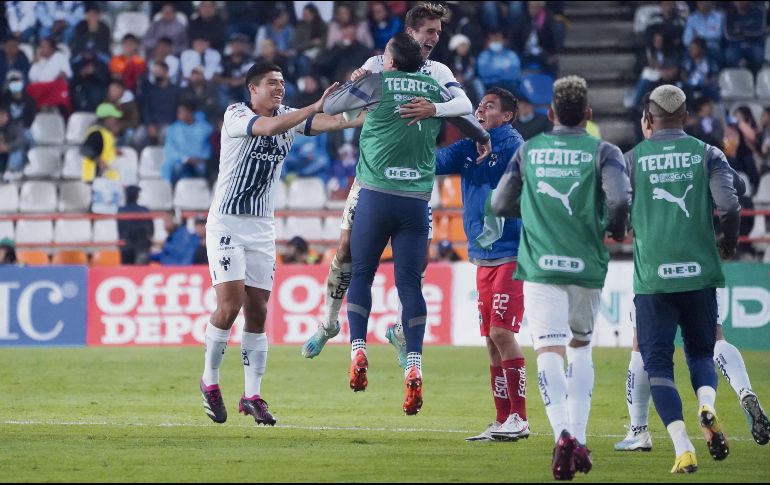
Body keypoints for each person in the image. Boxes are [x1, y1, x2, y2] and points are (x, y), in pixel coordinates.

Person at [321, 32, 490, 415]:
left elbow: (332, 104)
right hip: (415, 202)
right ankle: (414, 365)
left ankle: (359, 350)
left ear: (392, 61)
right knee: (410, 286)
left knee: (362, 273)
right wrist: (481, 137)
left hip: (375, 197)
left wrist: (344, 87)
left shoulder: (378, 81)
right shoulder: (435, 88)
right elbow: (465, 119)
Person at [302, 2, 478, 362]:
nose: (435, 39)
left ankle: (400, 331)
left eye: (439, 33)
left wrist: (434, 110)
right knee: (346, 251)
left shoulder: (439, 70)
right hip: (372, 177)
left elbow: (463, 105)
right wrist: (352, 86)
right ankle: (329, 324)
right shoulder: (376, 64)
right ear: (410, 33)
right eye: (429, 32)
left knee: (416, 267)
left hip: (412, 180)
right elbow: (349, 104)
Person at [199, 62, 361, 426]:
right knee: (229, 305)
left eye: (282, 83)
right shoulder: (236, 114)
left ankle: (251, 395)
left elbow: (333, 123)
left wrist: (372, 113)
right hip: (227, 221)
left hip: (261, 226)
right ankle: (209, 381)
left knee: (258, 310)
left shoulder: (289, 114)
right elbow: (269, 127)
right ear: (252, 89)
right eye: (271, 83)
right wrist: (316, 106)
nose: (279, 89)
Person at [615, 88, 769, 458]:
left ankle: (640, 431)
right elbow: (736, 196)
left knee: (647, 351)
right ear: (685, 115)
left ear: (648, 119)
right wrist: (729, 242)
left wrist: (621, 225)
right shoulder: (707, 152)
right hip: (701, 270)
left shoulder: (633, 158)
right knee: (710, 343)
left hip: (654, 274)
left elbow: (616, 201)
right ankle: (742, 392)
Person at [492, 76, 631, 480]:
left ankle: (562, 435)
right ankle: (580, 436)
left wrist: (535, 215)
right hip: (585, 263)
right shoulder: (604, 150)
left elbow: (501, 202)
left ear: (551, 114)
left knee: (548, 351)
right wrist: (614, 229)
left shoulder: (530, 150)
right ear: (587, 115)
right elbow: (621, 199)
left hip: (541, 265)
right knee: (581, 348)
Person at [433, 87, 528, 440]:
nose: (480, 109)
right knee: (490, 339)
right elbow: (435, 164)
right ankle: (503, 420)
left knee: (502, 332)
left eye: (489, 106)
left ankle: (520, 417)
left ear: (506, 116)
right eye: (479, 105)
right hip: (483, 257)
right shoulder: (469, 145)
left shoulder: (514, 145)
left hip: (512, 252)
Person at [161, 101, 213, 186]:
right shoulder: (173, 128)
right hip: (180, 163)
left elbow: (208, 148)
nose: (178, 114)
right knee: (176, 167)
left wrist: (201, 159)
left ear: (190, 113)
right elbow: (169, 150)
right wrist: (185, 159)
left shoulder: (205, 128)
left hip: (199, 163)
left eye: (181, 112)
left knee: (206, 168)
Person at [81, 103, 123, 183]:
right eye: (113, 117)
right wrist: (99, 161)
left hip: (105, 180)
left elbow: (101, 149)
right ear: (106, 118)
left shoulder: (104, 133)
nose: (116, 120)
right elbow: (85, 149)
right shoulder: (97, 133)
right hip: (97, 179)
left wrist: (114, 152)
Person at [117, 185, 153, 265]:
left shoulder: (121, 211)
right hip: (141, 247)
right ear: (137, 196)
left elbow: (120, 230)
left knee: (128, 272)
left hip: (127, 247)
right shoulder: (144, 210)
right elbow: (151, 230)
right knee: (141, 272)